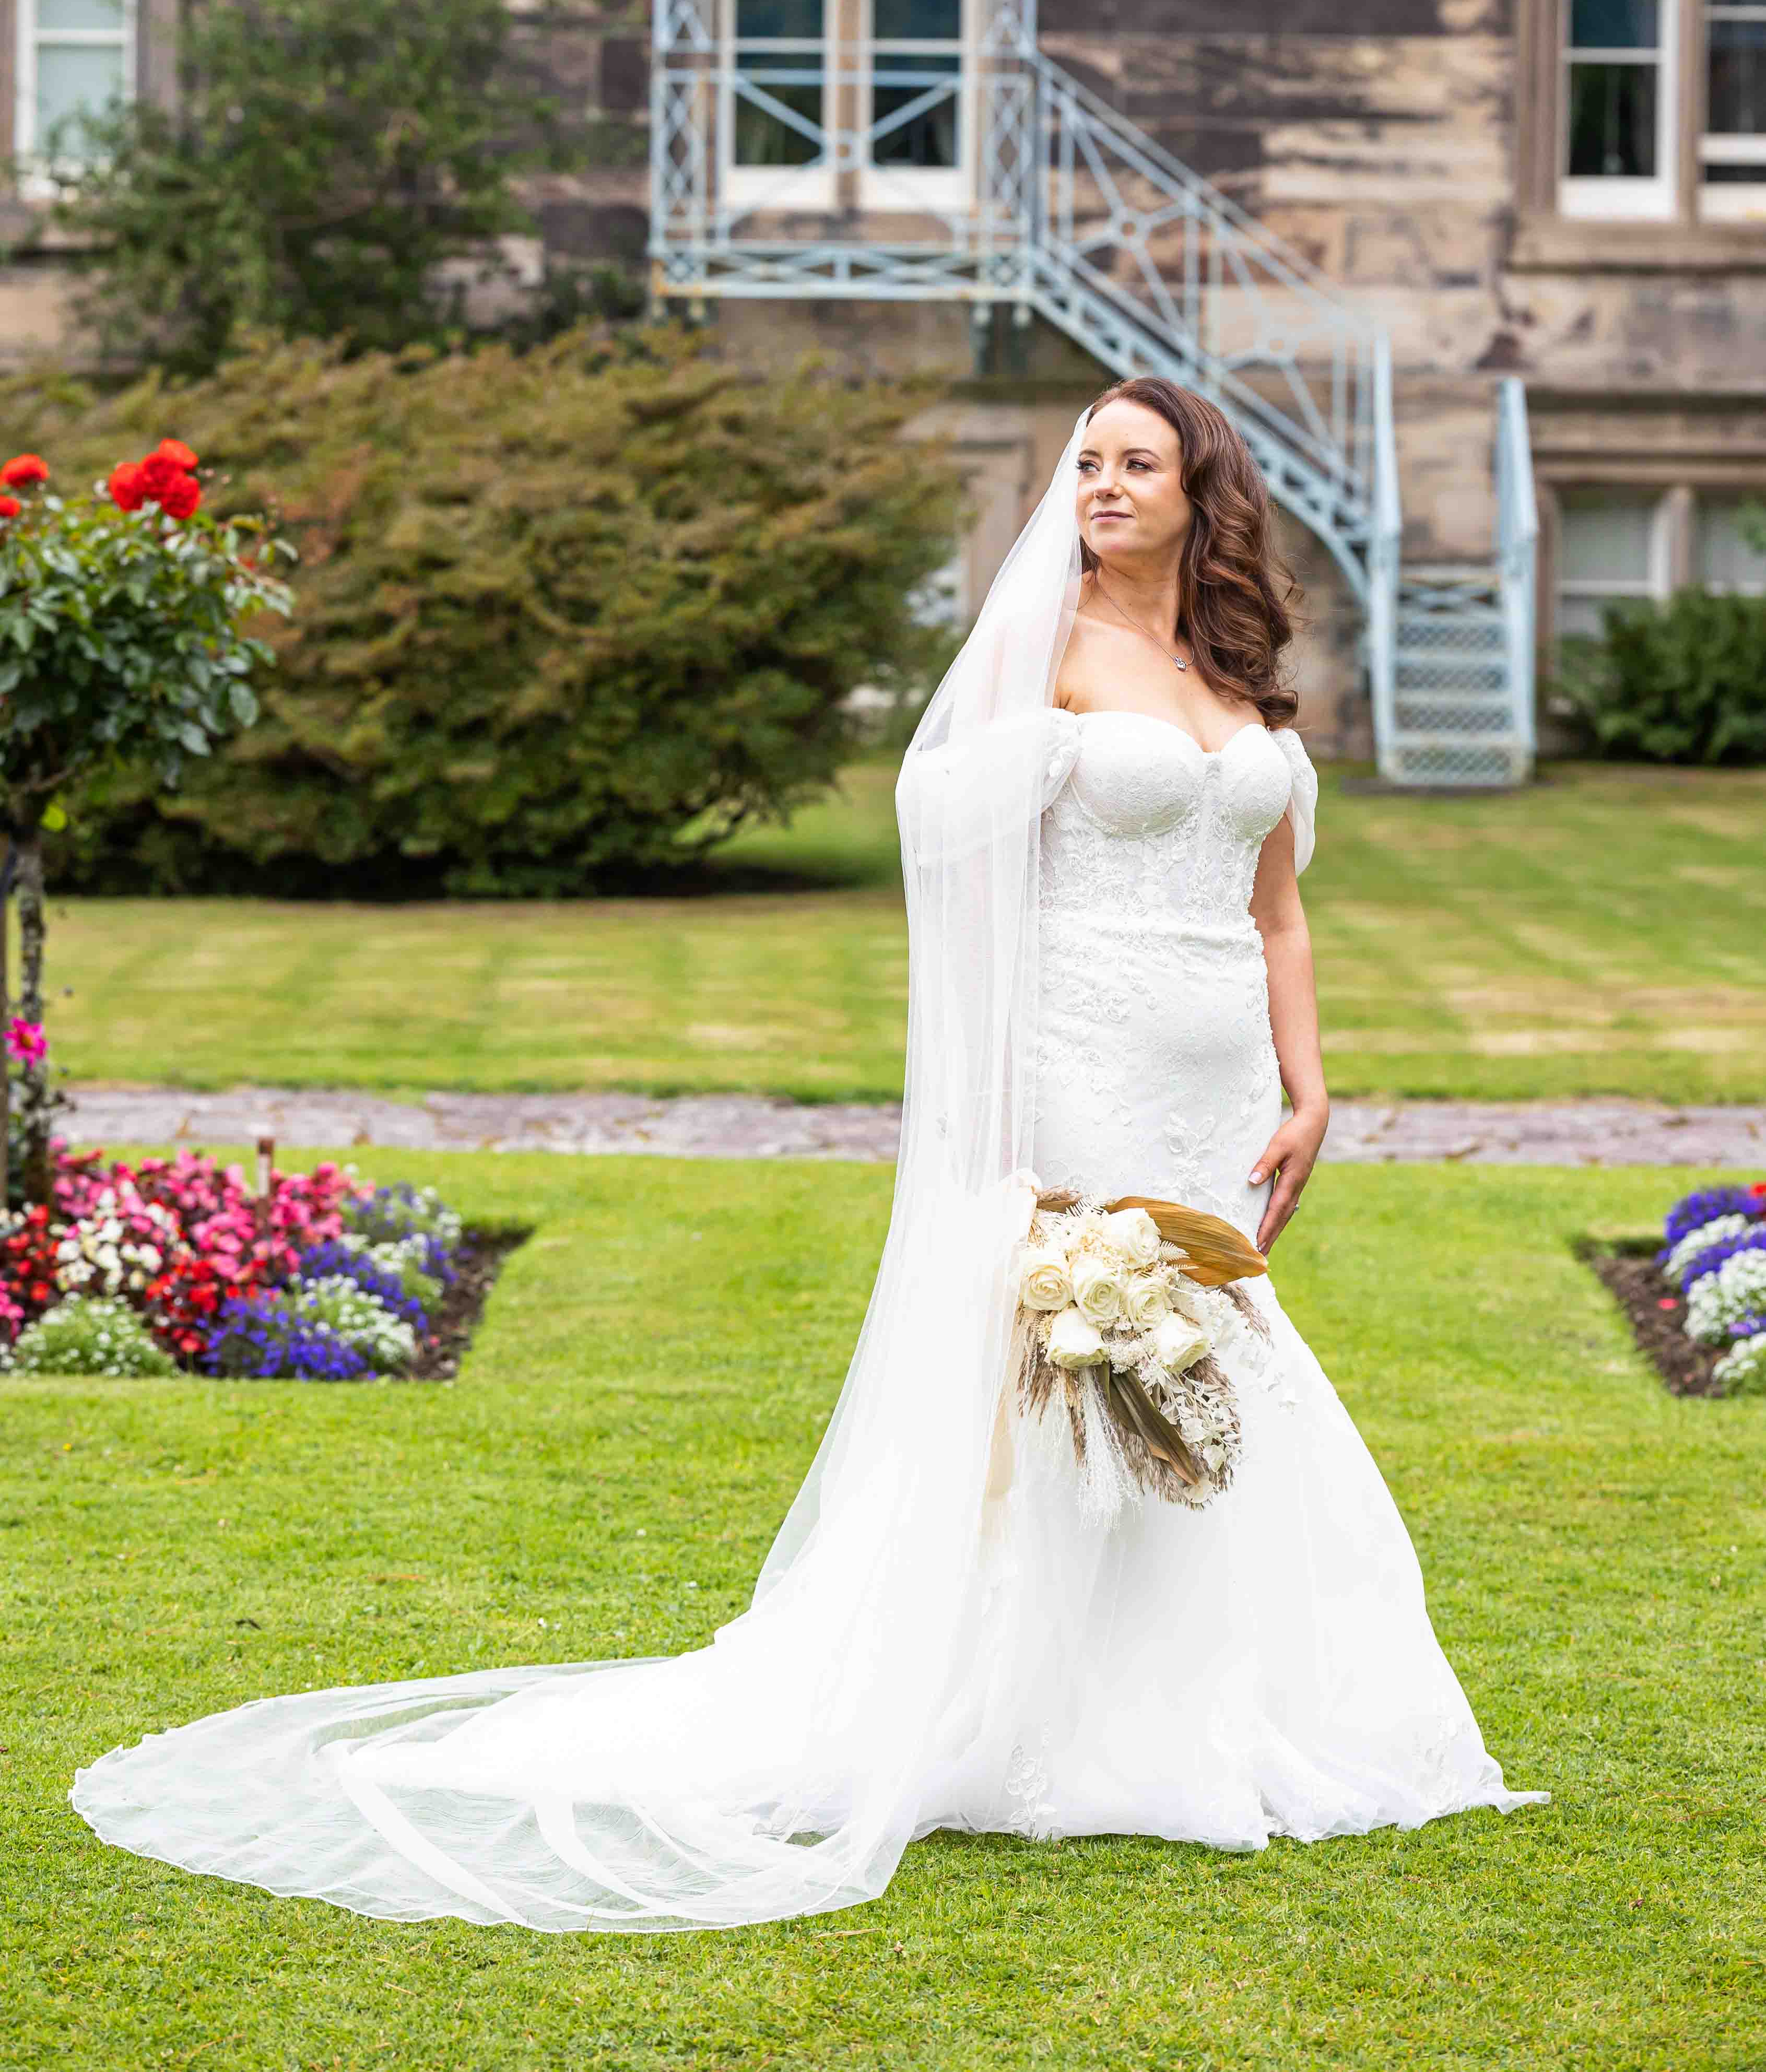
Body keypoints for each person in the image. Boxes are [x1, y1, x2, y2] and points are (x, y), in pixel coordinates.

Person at [72, 379, 1543, 1934]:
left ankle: (1242, 1701)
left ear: (1202, 492)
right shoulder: (1041, 646)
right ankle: (1046, 1717)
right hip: (1077, 1064)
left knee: (1220, 1363)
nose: (1102, 483)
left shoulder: (1237, 668)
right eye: (1086, 460)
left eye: (1136, 463)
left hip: (1222, 1085)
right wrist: (1029, 766)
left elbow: (1279, 910)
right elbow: (934, 819)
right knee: (1079, 1359)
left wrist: (1310, 1087)